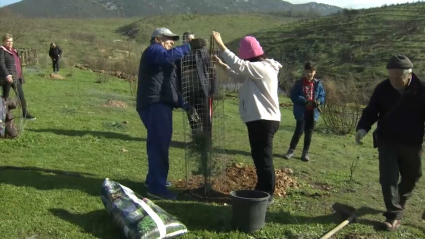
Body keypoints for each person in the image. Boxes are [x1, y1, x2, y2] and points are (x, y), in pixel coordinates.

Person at [355, 55, 425, 231]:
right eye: (391, 77)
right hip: (387, 140)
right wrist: (363, 128)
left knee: (413, 176)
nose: (393, 81)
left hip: (412, 142)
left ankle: (400, 201)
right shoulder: (382, 88)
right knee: (388, 179)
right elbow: (371, 111)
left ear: (409, 75)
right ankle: (393, 215)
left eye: (398, 77)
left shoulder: (422, 89)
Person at [212, 31, 282, 205]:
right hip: (258, 119)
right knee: (258, 156)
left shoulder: (263, 68)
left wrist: (222, 46)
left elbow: (241, 67)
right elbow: (238, 74)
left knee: (264, 157)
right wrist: (221, 65)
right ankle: (262, 189)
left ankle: (268, 193)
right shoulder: (256, 69)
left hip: (264, 119)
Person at [136, 27, 206, 200]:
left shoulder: (161, 56)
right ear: (157, 39)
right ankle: (156, 188)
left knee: (158, 143)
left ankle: (153, 180)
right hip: (155, 104)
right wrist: (189, 46)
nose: (172, 42)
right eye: (168, 38)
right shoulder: (154, 50)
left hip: (159, 103)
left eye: (173, 39)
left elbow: (170, 87)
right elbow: (166, 57)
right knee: (159, 145)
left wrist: (184, 104)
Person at [176, 31, 217, 138]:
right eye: (188, 39)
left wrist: (212, 88)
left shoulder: (202, 53)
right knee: (192, 117)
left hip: (202, 90)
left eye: (192, 39)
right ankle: (197, 140)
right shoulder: (180, 55)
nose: (190, 41)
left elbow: (211, 71)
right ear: (184, 41)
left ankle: (207, 142)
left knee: (205, 118)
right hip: (188, 91)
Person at [284, 62, 325, 162]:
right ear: (305, 71)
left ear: (315, 72)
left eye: (311, 72)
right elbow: (293, 95)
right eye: (307, 71)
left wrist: (319, 101)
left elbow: (322, 96)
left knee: (309, 133)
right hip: (302, 112)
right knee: (299, 131)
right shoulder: (299, 83)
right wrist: (304, 101)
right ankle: (291, 150)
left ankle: (305, 153)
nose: (309, 74)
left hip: (313, 113)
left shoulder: (318, 84)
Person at [0, 33, 36, 120]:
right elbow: (1, 64)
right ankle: (3, 114)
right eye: (8, 41)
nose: (10, 43)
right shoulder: (2, 51)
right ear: (4, 41)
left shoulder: (14, 51)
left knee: (21, 96)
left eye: (11, 41)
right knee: (5, 97)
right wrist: (7, 75)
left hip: (16, 77)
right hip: (7, 78)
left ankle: (25, 113)